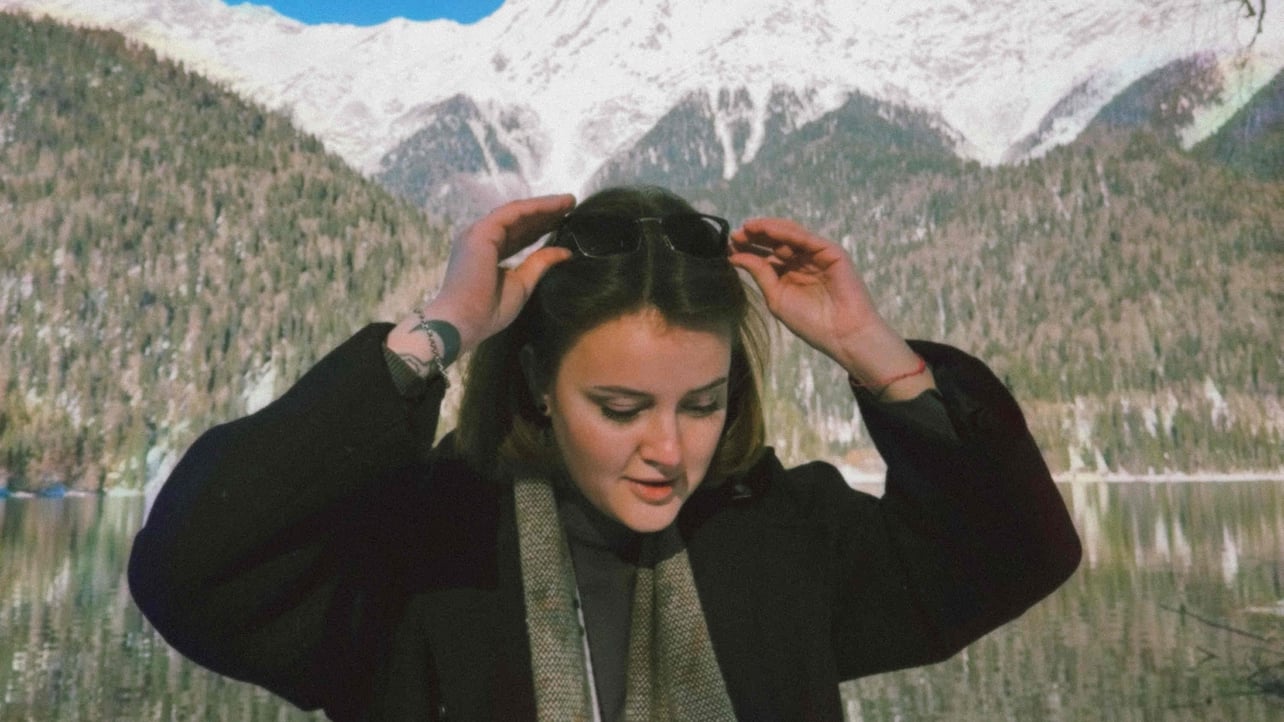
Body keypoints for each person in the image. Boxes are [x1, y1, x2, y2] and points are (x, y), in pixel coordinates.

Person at [129, 185, 1081, 721]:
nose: (669, 449)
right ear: (539, 382)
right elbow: (193, 568)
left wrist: (873, 351)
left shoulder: (784, 536)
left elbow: (1018, 553)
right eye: (621, 407)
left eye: (702, 404)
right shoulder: (424, 552)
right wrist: (436, 334)